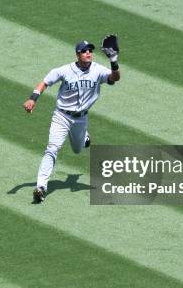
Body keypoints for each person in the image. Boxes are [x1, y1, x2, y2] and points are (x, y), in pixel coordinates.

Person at [23, 36, 121, 203]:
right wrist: (33, 98)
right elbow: (45, 82)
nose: (88, 53)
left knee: (77, 149)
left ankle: (84, 138)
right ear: (77, 54)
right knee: (52, 149)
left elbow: (114, 78)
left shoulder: (98, 69)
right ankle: (41, 187)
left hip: (81, 119)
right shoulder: (64, 70)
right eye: (84, 51)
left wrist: (113, 60)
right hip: (61, 116)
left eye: (90, 50)